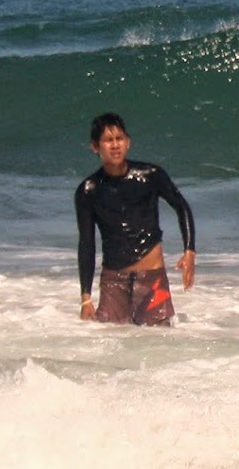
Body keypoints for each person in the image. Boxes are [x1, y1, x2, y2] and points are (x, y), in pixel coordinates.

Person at [74, 112, 196, 326]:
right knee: (111, 342)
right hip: (113, 281)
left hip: (151, 278)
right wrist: (86, 297)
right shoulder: (88, 190)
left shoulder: (151, 175)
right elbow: (87, 243)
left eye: (119, 139)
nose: (115, 145)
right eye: (108, 140)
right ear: (95, 146)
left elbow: (181, 206)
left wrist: (189, 251)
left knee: (158, 339)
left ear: (128, 142)